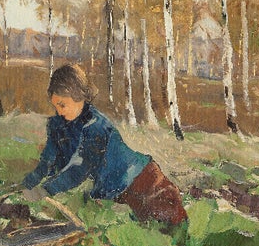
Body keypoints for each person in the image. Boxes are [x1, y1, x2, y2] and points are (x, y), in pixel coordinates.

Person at [20, 63, 186, 228]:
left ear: (80, 97)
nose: (59, 112)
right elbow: (47, 160)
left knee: (169, 228)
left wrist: (43, 191)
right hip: (115, 193)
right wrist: (27, 184)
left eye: (63, 105)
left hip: (144, 183)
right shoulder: (57, 125)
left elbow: (79, 169)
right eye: (55, 105)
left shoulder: (97, 126)